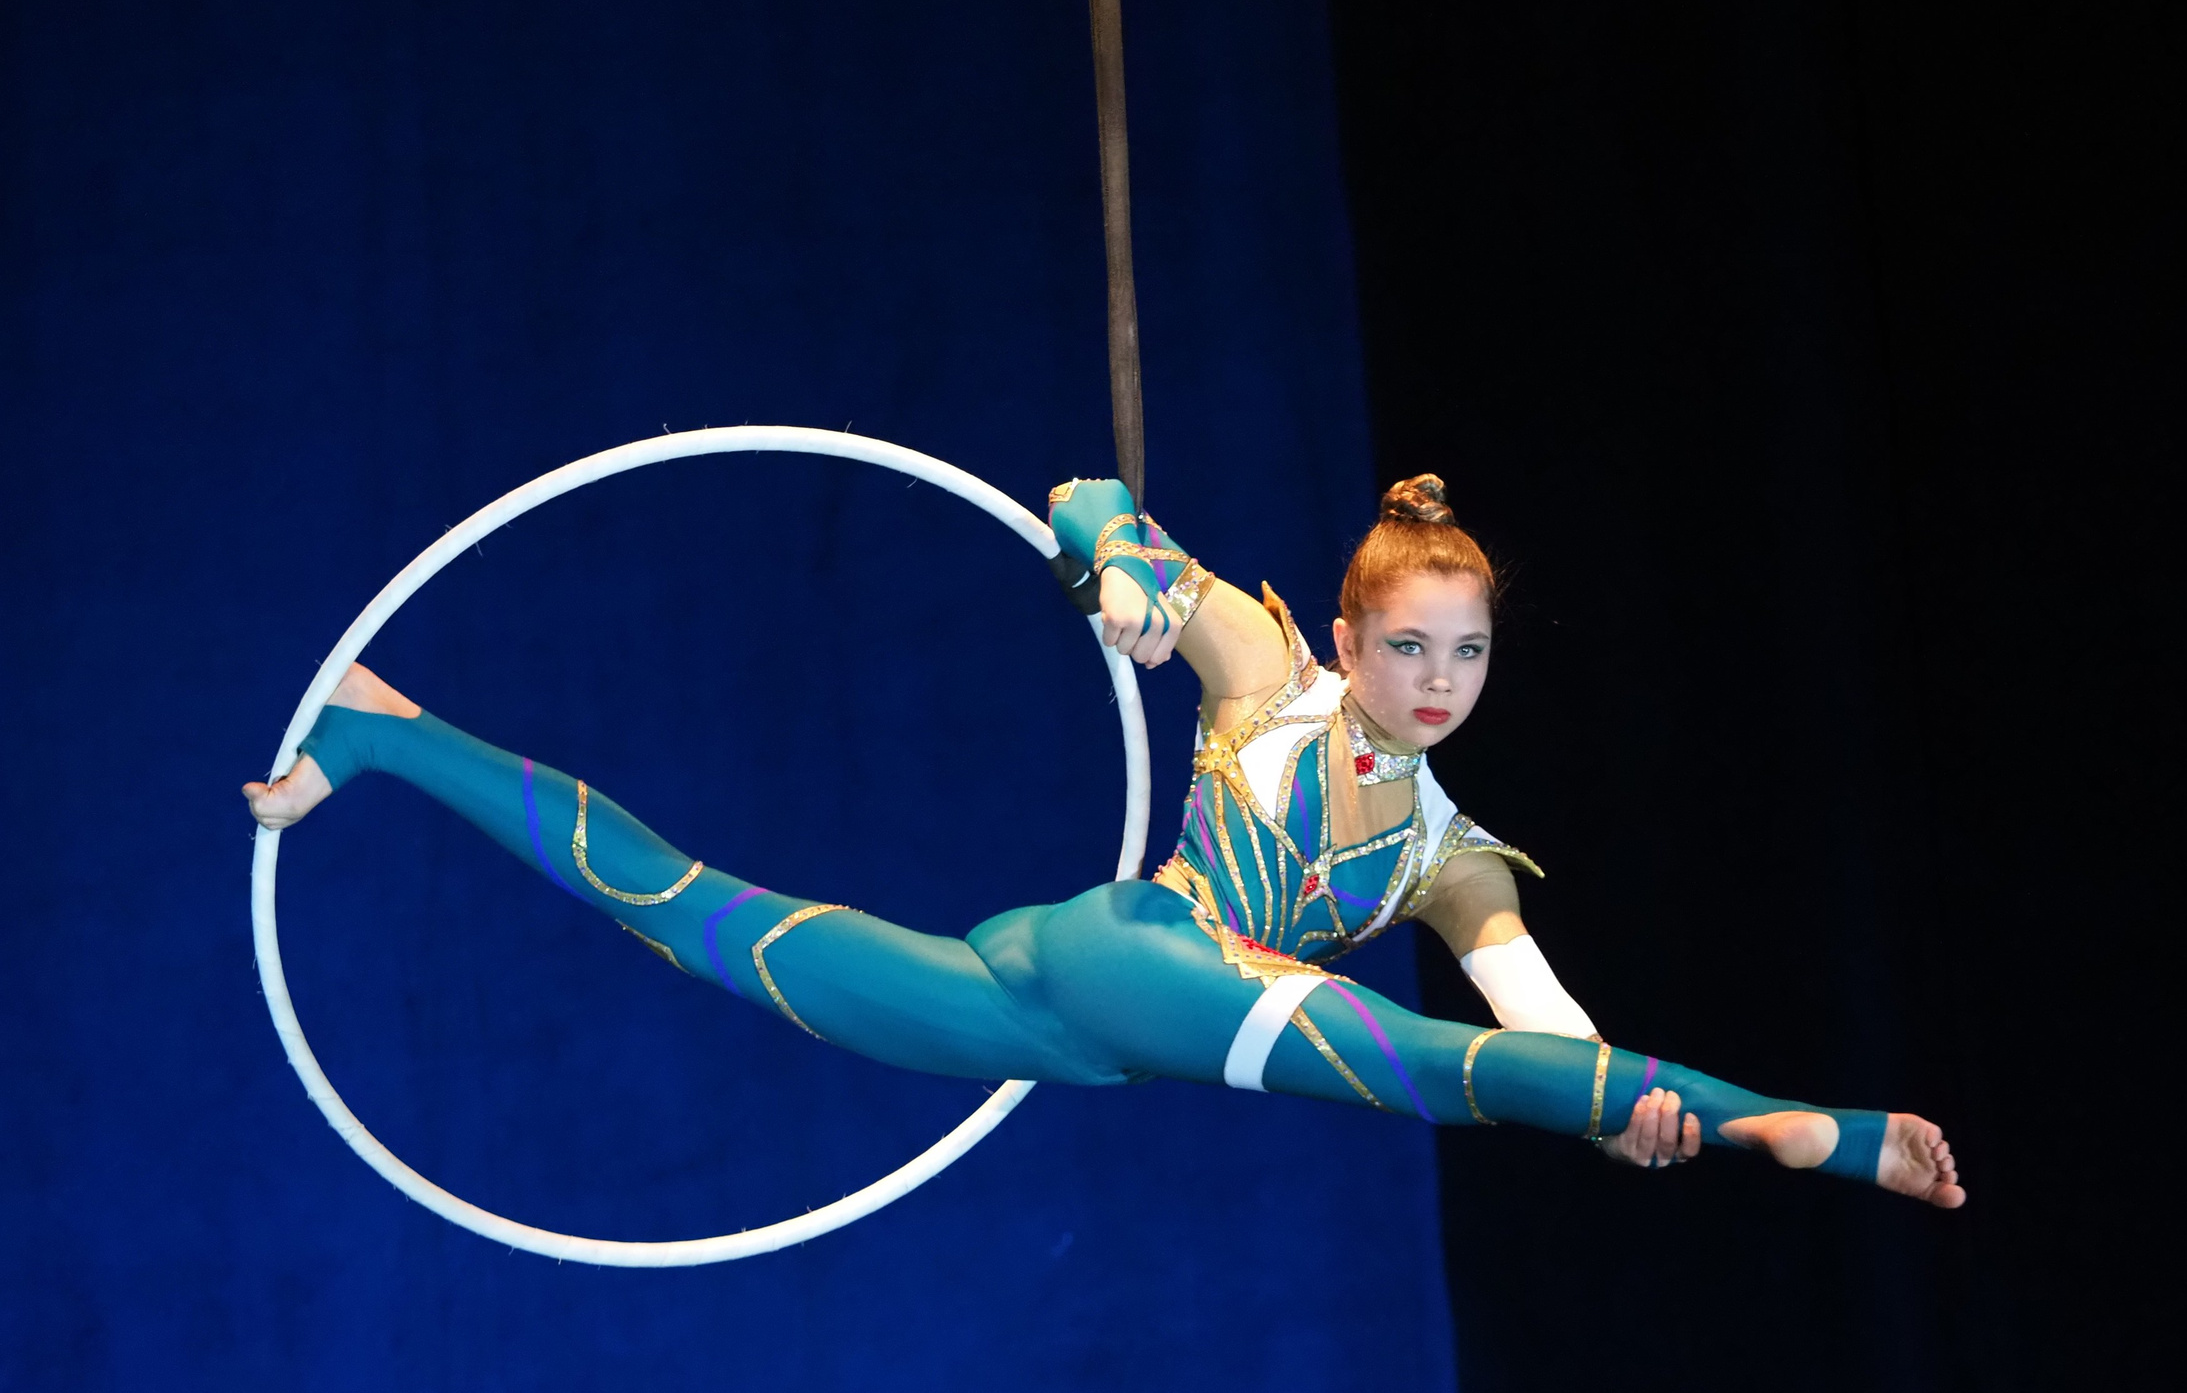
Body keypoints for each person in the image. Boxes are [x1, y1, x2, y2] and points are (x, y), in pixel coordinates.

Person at [243, 475, 1960, 1202]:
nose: (1439, 682)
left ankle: (392, 733)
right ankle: (1826, 1132)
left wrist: (1612, 1115)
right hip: (1153, 957)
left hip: (1065, 1016)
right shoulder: (1270, 672)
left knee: (700, 929)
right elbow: (1083, 499)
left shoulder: (1453, 851)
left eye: (1472, 654)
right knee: (1426, 1074)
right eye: (1412, 649)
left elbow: (1542, 1033)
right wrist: (1129, 588)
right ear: (1354, 644)